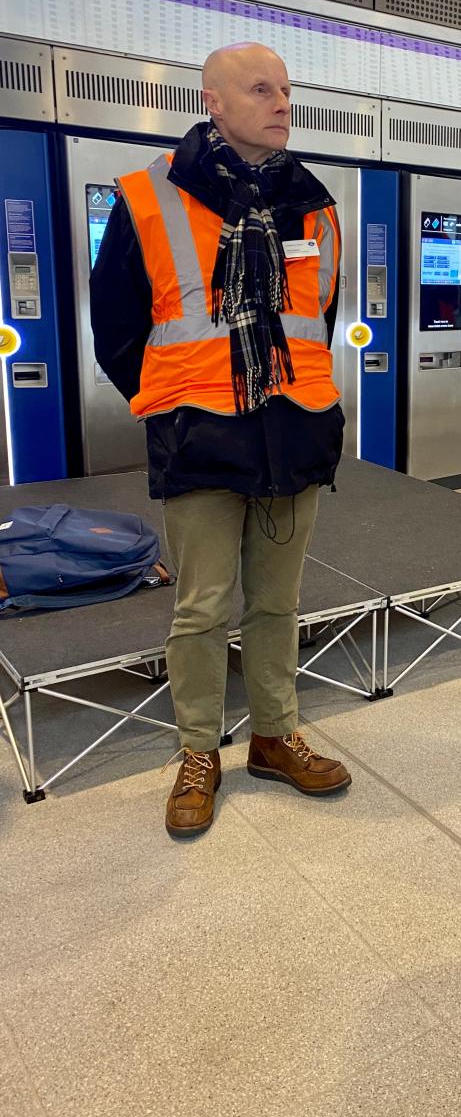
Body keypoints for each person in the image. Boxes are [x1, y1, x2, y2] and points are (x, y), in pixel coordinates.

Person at [91, 41, 351, 839]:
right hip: (200, 433)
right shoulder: (148, 197)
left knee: (279, 603)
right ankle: (199, 752)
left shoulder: (316, 205)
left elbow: (319, 323)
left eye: (287, 89)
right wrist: (182, 397)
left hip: (293, 432)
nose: (282, 102)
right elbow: (117, 333)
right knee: (202, 609)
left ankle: (273, 736)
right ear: (214, 102)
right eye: (261, 89)